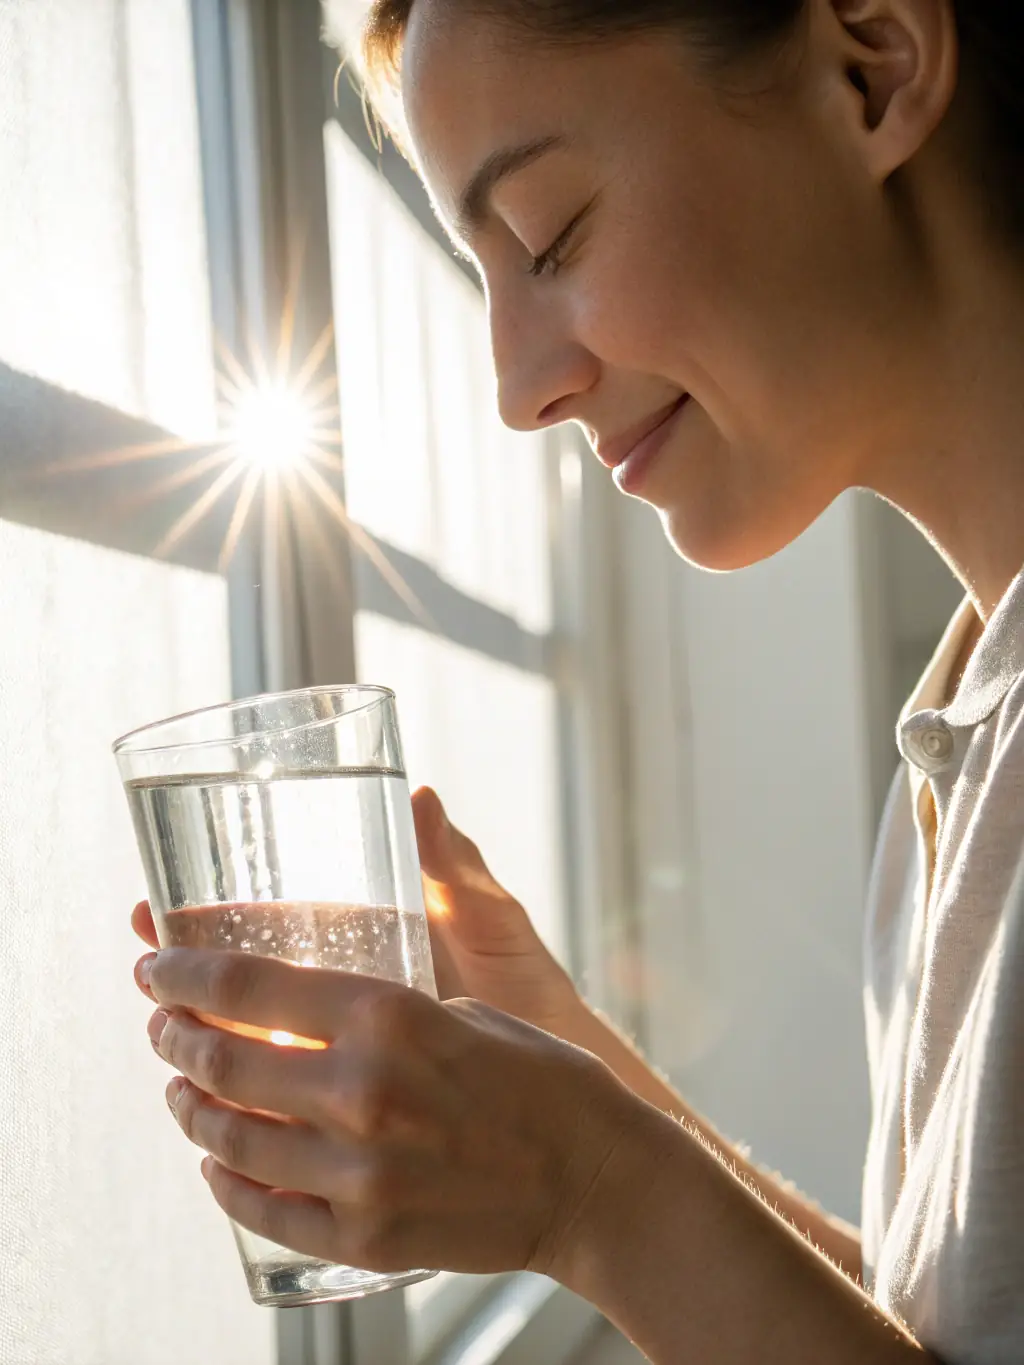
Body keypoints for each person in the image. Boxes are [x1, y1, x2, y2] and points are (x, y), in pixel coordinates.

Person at [133, 1, 1024, 1359]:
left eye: (549, 235)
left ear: (872, 65)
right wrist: (573, 1067)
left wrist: (591, 1193)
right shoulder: (966, 725)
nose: (514, 387)